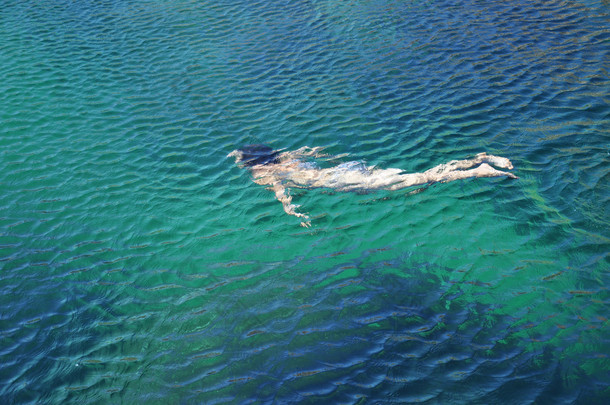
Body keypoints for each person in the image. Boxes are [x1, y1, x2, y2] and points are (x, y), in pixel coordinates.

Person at [228, 144, 517, 227]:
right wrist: (336, 157)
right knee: (419, 179)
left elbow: (282, 195)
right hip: (345, 170)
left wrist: (295, 213)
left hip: (341, 181)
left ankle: (481, 170)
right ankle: (478, 159)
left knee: (423, 179)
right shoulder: (287, 156)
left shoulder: (263, 174)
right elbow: (316, 151)